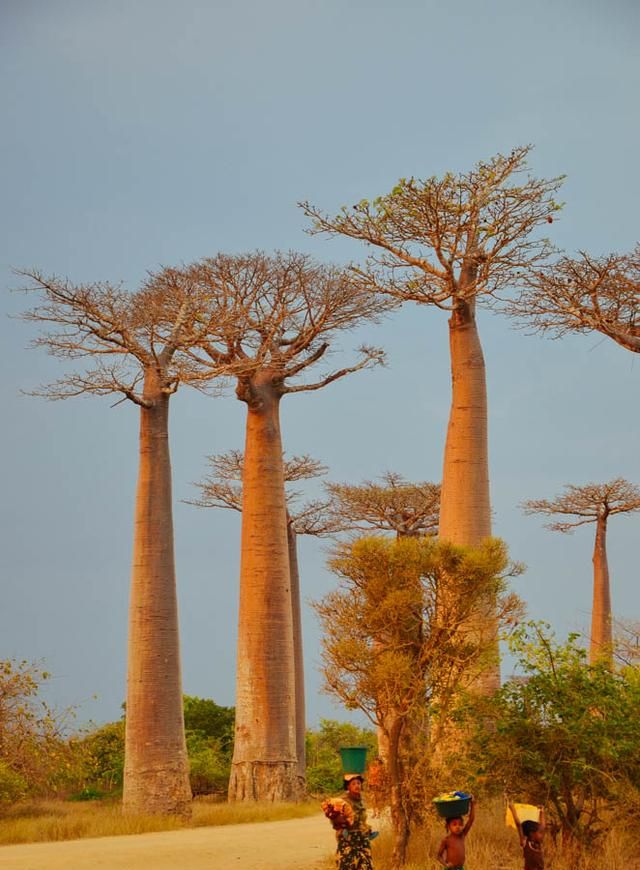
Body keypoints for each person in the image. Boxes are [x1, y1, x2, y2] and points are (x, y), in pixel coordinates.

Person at [322, 773, 375, 870]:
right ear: (348, 786)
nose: (357, 786)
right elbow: (333, 818)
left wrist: (367, 829)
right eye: (353, 784)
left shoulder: (362, 801)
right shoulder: (342, 802)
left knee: (365, 865)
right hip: (348, 839)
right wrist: (342, 824)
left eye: (358, 783)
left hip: (361, 839)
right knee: (348, 865)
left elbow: (362, 820)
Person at [436, 796, 475, 869]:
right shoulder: (446, 840)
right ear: (448, 826)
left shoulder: (462, 835)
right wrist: (446, 864)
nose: (458, 826)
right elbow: (438, 856)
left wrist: (472, 804)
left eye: (460, 824)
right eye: (454, 824)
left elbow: (471, 820)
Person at [509, 803, 545, 870]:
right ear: (532, 834)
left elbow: (542, 826)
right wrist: (513, 809)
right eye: (539, 833)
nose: (542, 835)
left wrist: (541, 811)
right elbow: (518, 825)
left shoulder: (538, 843)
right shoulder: (525, 842)